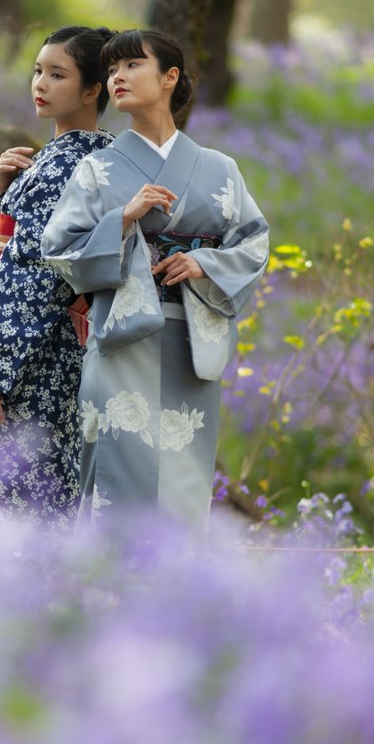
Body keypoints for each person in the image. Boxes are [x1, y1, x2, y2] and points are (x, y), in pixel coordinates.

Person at [41, 28, 269, 530]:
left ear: (169, 77)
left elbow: (253, 242)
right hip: (122, 341)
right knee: (119, 479)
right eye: (112, 68)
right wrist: (122, 217)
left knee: (184, 483)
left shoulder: (220, 169)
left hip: (190, 338)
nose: (117, 77)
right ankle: (110, 596)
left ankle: (174, 594)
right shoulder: (96, 170)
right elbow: (58, 249)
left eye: (131, 65)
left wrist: (204, 264)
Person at [0, 26, 115, 528]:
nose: (40, 83)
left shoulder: (64, 169)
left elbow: (33, 277)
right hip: (63, 353)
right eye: (37, 71)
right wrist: (0, 194)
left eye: (57, 74)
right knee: (53, 498)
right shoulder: (90, 160)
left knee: (17, 509)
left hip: (34, 362)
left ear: (92, 90)